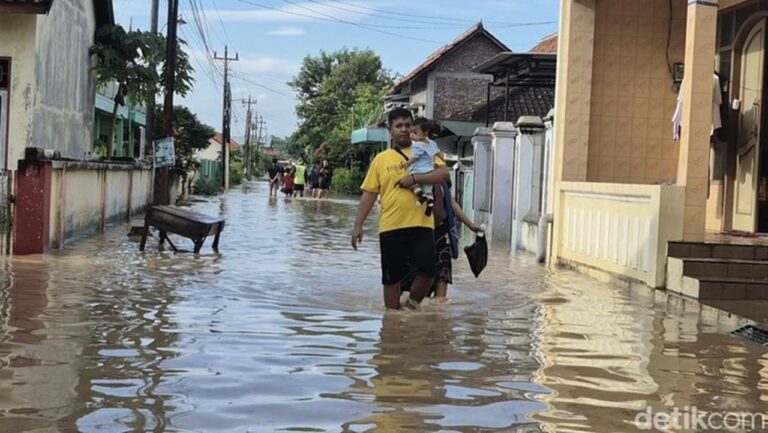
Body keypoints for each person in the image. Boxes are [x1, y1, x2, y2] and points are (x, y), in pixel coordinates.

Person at [351, 107, 450, 310]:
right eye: (398, 126)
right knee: (391, 278)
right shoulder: (381, 159)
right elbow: (369, 194)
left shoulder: (427, 149)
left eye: (408, 125)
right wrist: (358, 226)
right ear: (390, 130)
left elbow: (444, 175)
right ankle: (392, 318)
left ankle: (410, 306)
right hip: (391, 226)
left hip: (422, 224)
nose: (404, 129)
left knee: (428, 272)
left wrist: (414, 178)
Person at [400, 117, 441, 216]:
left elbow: (414, 158)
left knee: (413, 184)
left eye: (415, 133)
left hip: (418, 170)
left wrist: (407, 164)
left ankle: (421, 196)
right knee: (428, 189)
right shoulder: (432, 143)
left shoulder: (417, 145)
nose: (411, 134)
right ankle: (430, 203)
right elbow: (440, 154)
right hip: (430, 171)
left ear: (425, 133)